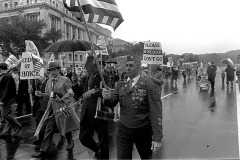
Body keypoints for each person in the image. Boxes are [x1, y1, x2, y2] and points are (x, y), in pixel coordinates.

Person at [102, 56, 163, 159]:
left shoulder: (148, 86)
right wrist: (107, 97)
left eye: (131, 66)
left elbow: (156, 112)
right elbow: (112, 102)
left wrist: (157, 137)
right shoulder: (121, 85)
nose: (128, 68)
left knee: (146, 157)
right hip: (123, 130)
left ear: (139, 68)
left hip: (142, 130)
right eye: (126, 66)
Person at [31, 62, 79, 158]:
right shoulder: (49, 81)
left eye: (54, 70)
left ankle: (70, 141)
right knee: (49, 128)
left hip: (63, 108)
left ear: (58, 70)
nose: (52, 72)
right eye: (50, 70)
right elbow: (49, 94)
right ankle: (43, 151)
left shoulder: (65, 80)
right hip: (52, 108)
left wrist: (61, 99)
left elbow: (70, 93)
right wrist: (41, 94)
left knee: (65, 126)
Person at [72, 56, 111, 160]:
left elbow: (109, 91)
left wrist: (95, 90)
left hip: (99, 112)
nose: (85, 66)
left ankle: (103, 156)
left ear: (95, 64)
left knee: (104, 141)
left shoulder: (104, 76)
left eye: (87, 64)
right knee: (83, 138)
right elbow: (79, 95)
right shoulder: (86, 78)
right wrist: (75, 84)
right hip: (86, 113)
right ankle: (97, 150)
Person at [0, 62, 22, 137]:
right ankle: (7, 131)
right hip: (7, 98)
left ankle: (17, 125)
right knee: (6, 114)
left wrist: (2, 100)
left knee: (5, 114)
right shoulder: (6, 76)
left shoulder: (7, 76)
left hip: (8, 99)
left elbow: (7, 89)